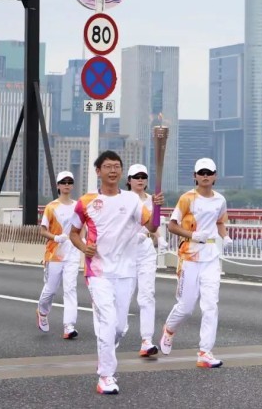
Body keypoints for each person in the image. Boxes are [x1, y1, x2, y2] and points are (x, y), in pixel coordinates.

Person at [70, 151, 164, 395]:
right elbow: (74, 233)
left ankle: (106, 355)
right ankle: (106, 376)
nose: (113, 170)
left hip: (126, 271)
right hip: (98, 271)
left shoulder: (132, 200)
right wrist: (84, 247)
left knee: (120, 327)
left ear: (121, 171)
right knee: (108, 322)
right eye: (107, 166)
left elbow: (152, 226)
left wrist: (156, 208)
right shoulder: (86, 201)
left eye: (116, 166)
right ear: (98, 171)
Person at [159, 157, 232, 369]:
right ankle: (169, 329)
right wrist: (192, 235)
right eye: (202, 173)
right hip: (189, 256)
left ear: (215, 176)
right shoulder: (187, 199)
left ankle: (205, 352)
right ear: (195, 176)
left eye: (209, 173)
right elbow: (172, 226)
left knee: (210, 305)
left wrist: (225, 236)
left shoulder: (220, 200)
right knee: (186, 307)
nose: (205, 176)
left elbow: (220, 222)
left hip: (211, 257)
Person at [125, 164, 168, 358]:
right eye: (136, 177)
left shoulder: (153, 200)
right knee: (124, 296)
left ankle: (147, 340)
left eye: (143, 176)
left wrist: (160, 238)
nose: (140, 180)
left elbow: (152, 224)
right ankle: (114, 333)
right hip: (125, 251)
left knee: (147, 295)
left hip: (145, 250)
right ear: (129, 180)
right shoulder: (123, 199)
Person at [36, 171, 81, 340]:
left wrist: (82, 241)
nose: (67, 185)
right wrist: (55, 238)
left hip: (72, 254)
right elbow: (42, 231)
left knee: (70, 289)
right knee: (51, 290)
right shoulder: (51, 207)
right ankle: (42, 312)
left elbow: (82, 227)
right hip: (54, 254)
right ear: (58, 185)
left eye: (69, 182)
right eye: (63, 182)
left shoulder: (78, 206)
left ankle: (69, 326)